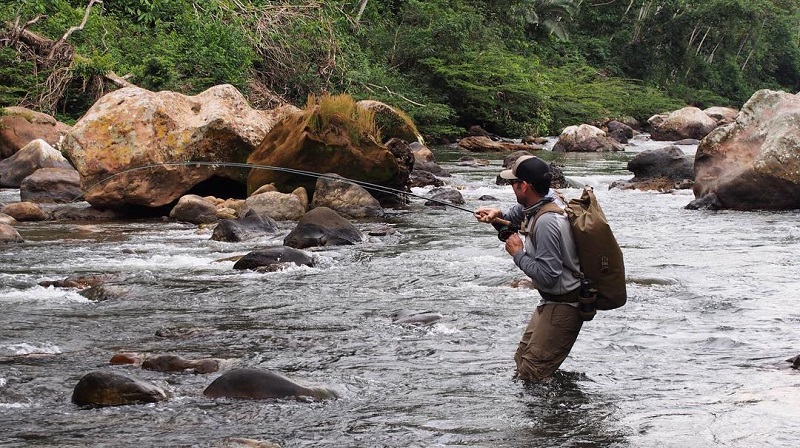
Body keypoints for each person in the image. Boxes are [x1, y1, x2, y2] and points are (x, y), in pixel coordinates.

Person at [475, 155, 583, 381]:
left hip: (564, 306)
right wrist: (498, 215)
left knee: (531, 375)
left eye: (514, 183)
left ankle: (558, 415)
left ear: (524, 186)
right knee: (521, 362)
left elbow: (548, 276)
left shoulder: (547, 222)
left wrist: (518, 254)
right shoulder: (546, 199)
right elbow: (519, 213)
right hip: (553, 302)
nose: (512, 187)